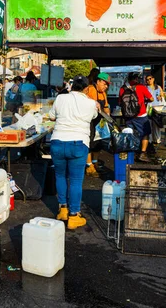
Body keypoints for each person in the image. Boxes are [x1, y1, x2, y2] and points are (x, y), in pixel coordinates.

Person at [49, 75, 98, 230]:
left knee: (60, 176)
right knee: (76, 181)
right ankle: (74, 215)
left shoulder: (61, 98)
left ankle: (62, 209)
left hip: (57, 142)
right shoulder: (90, 103)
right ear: (86, 88)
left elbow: (51, 116)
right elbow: (94, 116)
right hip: (78, 143)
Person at [119, 73, 153, 163]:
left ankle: (131, 154)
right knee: (145, 133)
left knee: (130, 134)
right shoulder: (141, 87)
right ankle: (142, 153)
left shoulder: (122, 88)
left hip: (128, 116)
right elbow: (152, 99)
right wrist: (144, 100)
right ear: (136, 79)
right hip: (141, 115)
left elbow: (120, 103)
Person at [84, 72, 111, 177]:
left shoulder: (103, 93)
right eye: (104, 84)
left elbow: (106, 106)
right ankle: (89, 166)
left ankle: (95, 162)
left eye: (107, 85)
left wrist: (108, 117)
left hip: (99, 122)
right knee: (89, 142)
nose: (106, 86)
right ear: (98, 81)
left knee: (98, 143)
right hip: (90, 121)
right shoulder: (90, 89)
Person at [146, 75, 165, 145]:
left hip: (158, 106)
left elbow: (163, 96)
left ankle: (157, 139)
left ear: (153, 79)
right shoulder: (146, 88)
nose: (149, 80)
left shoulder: (158, 87)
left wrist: (161, 97)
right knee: (149, 123)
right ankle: (150, 139)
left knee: (156, 124)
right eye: (147, 79)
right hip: (150, 107)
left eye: (150, 79)